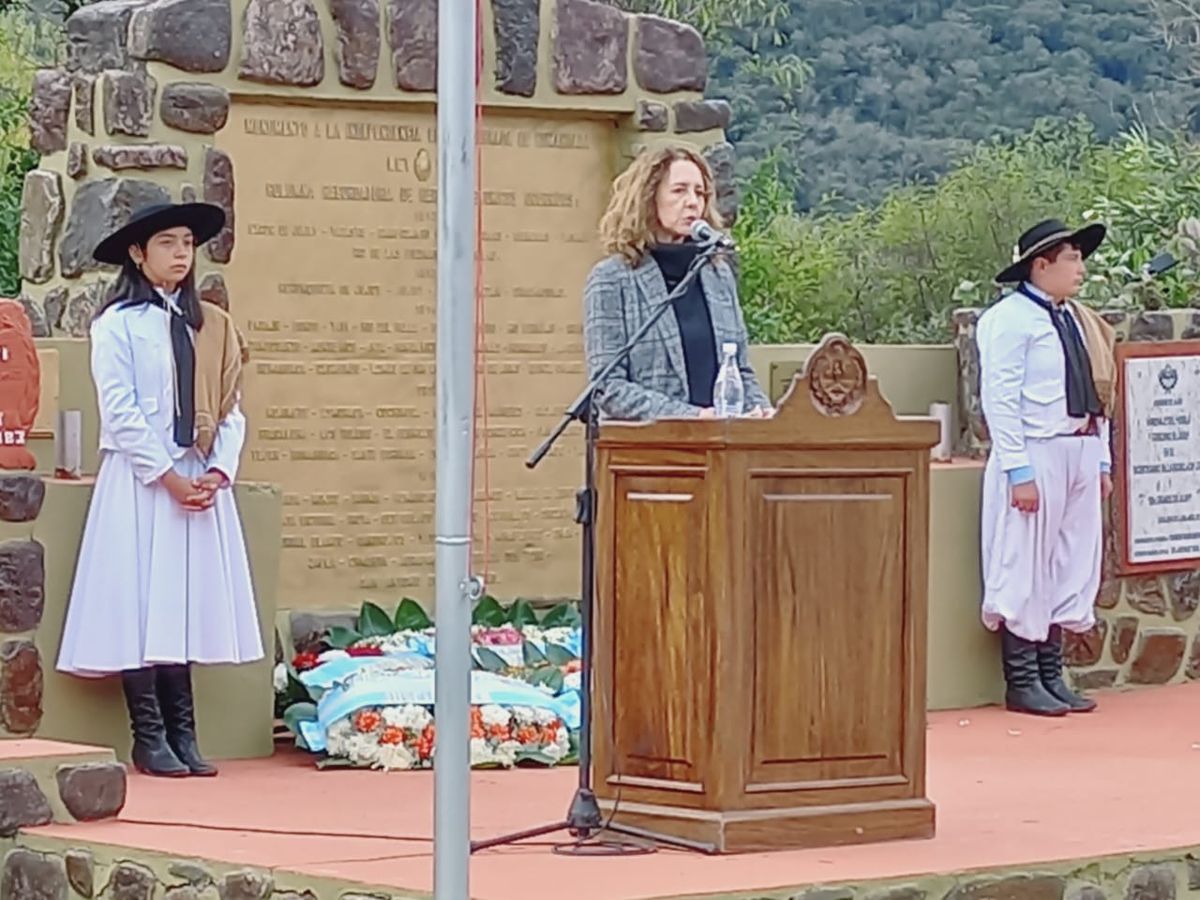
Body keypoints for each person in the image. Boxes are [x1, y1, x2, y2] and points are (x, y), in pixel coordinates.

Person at [57, 202, 263, 776]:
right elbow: (120, 411)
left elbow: (230, 405)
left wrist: (217, 472)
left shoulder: (212, 325)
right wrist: (167, 476)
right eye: (167, 243)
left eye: (187, 243)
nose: (180, 254)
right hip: (143, 480)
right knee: (140, 602)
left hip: (198, 479)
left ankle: (184, 735)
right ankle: (148, 736)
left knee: (182, 601)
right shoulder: (118, 325)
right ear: (138, 253)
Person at [976, 218, 1117, 717]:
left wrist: (1101, 458)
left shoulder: (1077, 319)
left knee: (1067, 560)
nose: (1080, 269)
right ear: (1041, 265)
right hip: (1036, 448)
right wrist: (1018, 470)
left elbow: (1098, 391)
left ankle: (1052, 673)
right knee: (1025, 561)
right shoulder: (1009, 320)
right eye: (1071, 259)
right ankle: (1023, 679)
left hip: (1077, 445)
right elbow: (1000, 396)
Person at [583, 143, 770, 421]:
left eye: (700, 193)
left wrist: (761, 411)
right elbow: (607, 387)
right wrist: (692, 416)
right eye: (680, 190)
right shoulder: (612, 279)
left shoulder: (717, 274)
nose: (693, 202)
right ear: (648, 197)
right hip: (652, 443)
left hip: (720, 442)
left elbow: (740, 370)